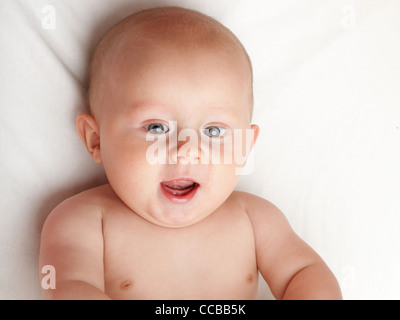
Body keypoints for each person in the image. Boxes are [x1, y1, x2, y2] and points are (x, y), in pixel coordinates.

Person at [39, 6, 342, 300]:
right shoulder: (84, 222)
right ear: (95, 140)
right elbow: (69, 288)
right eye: (156, 128)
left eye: (213, 131)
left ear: (244, 148)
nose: (187, 152)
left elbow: (304, 273)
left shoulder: (255, 219)